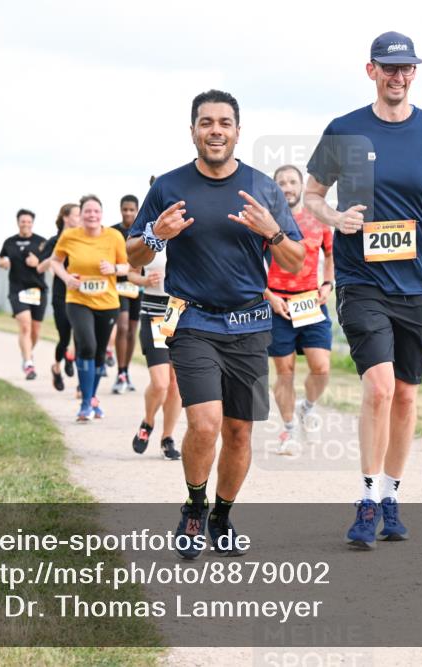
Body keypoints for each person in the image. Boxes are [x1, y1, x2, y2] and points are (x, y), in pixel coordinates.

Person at [303, 32, 422, 548]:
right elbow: (313, 196)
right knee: (379, 388)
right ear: (371, 71)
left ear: (414, 74)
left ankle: (391, 493)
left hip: (416, 286)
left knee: (405, 396)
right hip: (361, 282)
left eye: (406, 69)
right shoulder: (344, 130)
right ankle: (365, 499)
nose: (397, 77)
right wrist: (336, 217)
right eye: (388, 68)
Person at [127, 89, 305, 559]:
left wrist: (273, 230)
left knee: (240, 431)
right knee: (204, 425)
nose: (216, 130)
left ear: (238, 131)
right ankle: (194, 505)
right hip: (193, 320)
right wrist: (154, 234)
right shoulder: (168, 186)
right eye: (206, 123)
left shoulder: (263, 187)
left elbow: (294, 258)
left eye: (224, 122)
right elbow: (133, 252)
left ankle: (222, 516)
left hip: (249, 324)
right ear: (193, 131)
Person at [264, 165, 335, 455]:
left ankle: (308, 408)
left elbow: (331, 255)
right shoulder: (266, 221)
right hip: (278, 304)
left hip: (310, 301)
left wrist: (328, 283)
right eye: (281, 182)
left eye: (292, 181)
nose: (287, 187)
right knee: (285, 372)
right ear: (275, 188)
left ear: (301, 186)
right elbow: (251, 264)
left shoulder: (318, 218)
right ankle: (289, 429)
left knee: (321, 367)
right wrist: (268, 296)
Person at [50, 194, 129, 422]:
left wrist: (113, 268)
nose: (92, 215)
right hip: (78, 299)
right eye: (87, 211)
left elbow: (128, 266)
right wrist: (66, 278)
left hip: (107, 303)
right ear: (81, 214)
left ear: (101, 214)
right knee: (86, 345)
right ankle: (85, 403)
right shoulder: (70, 236)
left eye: (96, 211)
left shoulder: (113, 237)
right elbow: (55, 261)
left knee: (99, 352)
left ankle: (92, 398)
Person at [127, 247, 182, 460]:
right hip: (153, 313)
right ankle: (148, 421)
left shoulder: (187, 234)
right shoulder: (149, 239)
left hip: (179, 311)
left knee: (176, 383)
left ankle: (167, 439)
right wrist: (144, 281)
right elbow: (131, 272)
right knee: (160, 383)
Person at [0, 209, 49, 380]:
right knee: (25, 325)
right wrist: (2, 263)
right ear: (18, 222)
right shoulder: (9, 242)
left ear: (32, 223)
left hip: (38, 289)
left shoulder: (41, 242)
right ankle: (28, 364)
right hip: (17, 289)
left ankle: (28, 354)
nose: (25, 224)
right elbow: (0, 259)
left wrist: (38, 262)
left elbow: (51, 263)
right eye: (22, 221)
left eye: (28, 221)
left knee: (35, 330)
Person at [38, 203, 81, 391]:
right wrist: (57, 255)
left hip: (80, 293)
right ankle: (57, 367)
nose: (80, 218)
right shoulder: (53, 241)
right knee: (64, 336)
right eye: (77, 215)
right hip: (61, 294)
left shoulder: (82, 241)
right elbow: (40, 267)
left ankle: (77, 371)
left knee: (81, 335)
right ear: (66, 217)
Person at [110, 194, 142, 394]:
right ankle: (120, 372)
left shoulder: (141, 229)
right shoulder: (113, 232)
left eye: (132, 209)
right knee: (121, 327)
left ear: (137, 210)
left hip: (138, 287)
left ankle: (125, 371)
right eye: (125, 209)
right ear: (121, 210)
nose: (128, 213)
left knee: (131, 331)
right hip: (118, 286)